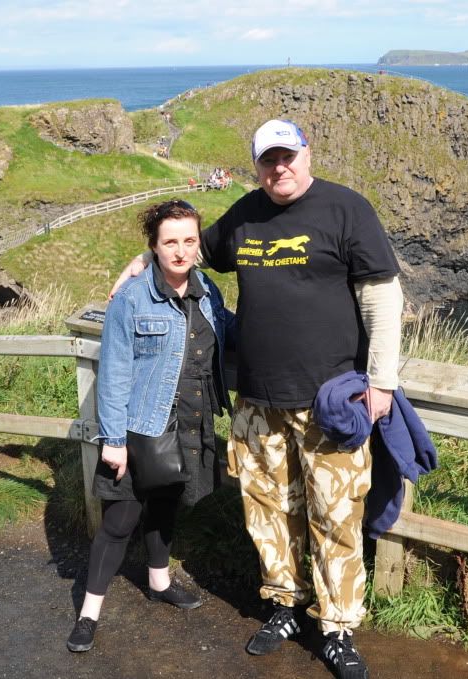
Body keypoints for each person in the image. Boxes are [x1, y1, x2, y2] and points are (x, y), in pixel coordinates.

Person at [110, 120, 405, 679]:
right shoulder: (245, 213)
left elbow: (382, 298)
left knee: (335, 515)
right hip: (257, 399)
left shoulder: (347, 209)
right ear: (256, 166)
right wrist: (144, 262)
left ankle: (338, 627)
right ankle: (285, 605)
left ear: (306, 154)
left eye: (288, 156)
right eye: (268, 160)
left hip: (331, 399)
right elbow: (192, 250)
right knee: (269, 510)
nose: (280, 168)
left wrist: (381, 382)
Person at [67, 199, 235, 654]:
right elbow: (115, 371)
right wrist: (114, 441)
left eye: (188, 240)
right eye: (169, 243)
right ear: (153, 248)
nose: (180, 251)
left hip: (190, 424)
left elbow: (231, 337)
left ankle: (160, 582)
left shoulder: (208, 291)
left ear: (198, 243)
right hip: (143, 427)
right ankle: (88, 614)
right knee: (120, 520)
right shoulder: (132, 297)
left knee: (165, 504)